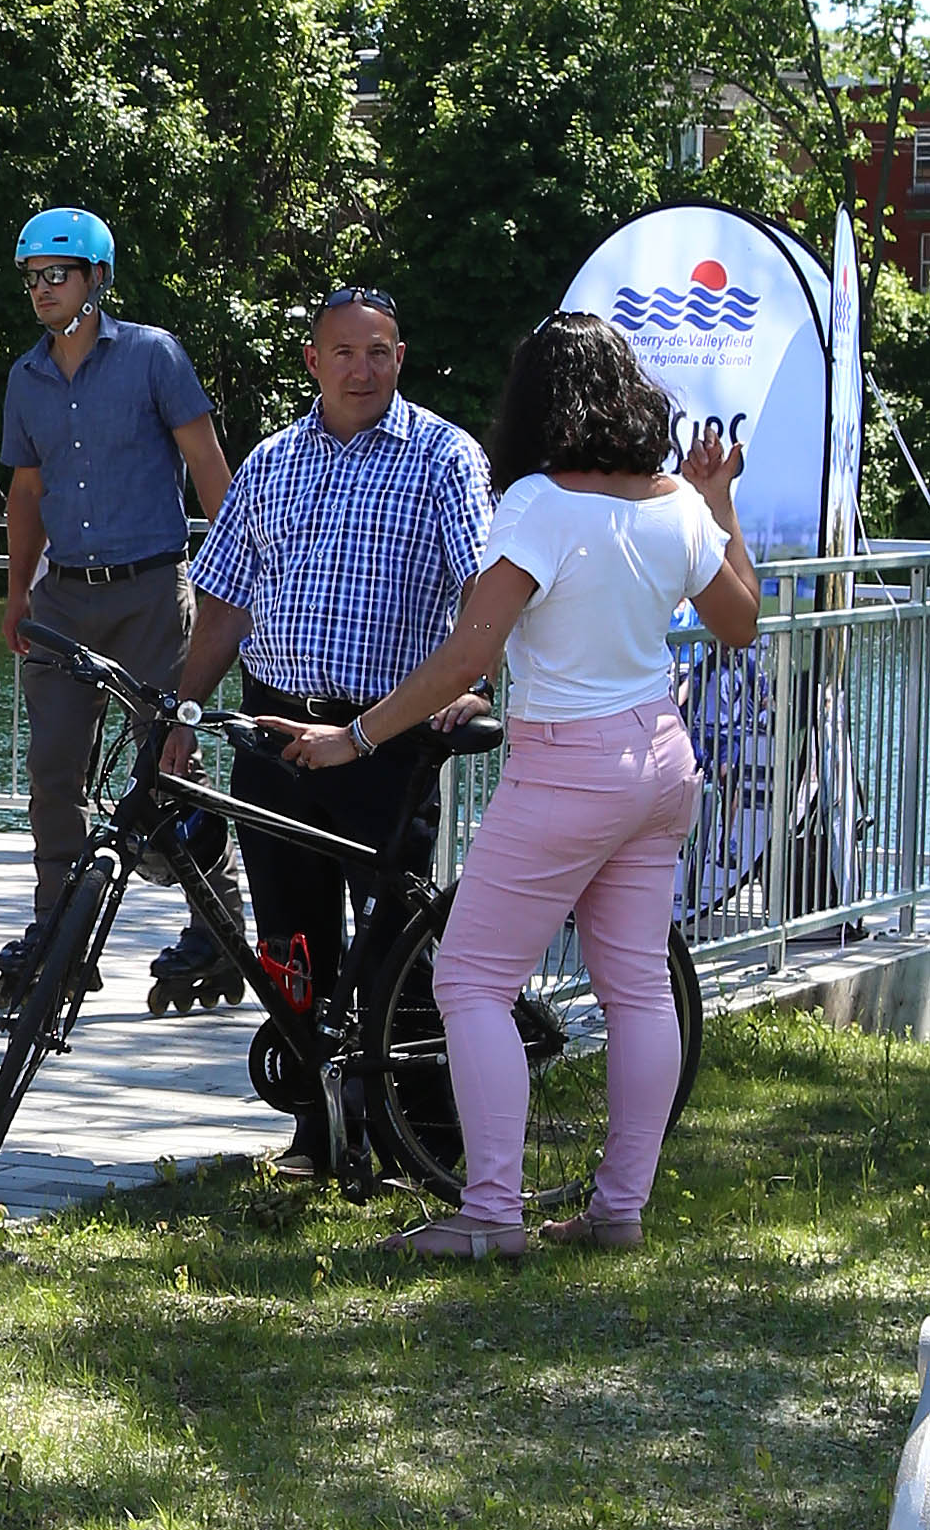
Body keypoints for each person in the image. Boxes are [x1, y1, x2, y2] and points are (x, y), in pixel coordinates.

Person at [283, 312, 751, 1259]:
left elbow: (469, 650)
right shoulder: (674, 503)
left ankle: (491, 1214)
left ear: (535, 398)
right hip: (661, 760)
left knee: (469, 978)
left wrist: (354, 735)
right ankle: (619, 1208)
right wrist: (720, 504)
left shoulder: (538, 499)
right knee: (637, 993)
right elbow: (739, 624)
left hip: (569, 766)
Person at [172, 285, 493, 1176]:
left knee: (399, 941)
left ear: (402, 357)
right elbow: (224, 601)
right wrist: (187, 712)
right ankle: (317, 1129)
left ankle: (421, 1137)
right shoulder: (271, 462)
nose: (363, 368)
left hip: (386, 736)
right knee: (293, 941)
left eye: (380, 351)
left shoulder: (443, 457)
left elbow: (484, 592)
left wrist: (478, 683)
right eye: (344, 352)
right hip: (273, 729)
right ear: (312, 361)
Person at [0, 208, 236, 989]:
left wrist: (230, 573)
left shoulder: (152, 356)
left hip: (153, 592)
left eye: (55, 274)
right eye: (32, 277)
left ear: (96, 279)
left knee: (169, 764)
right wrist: (14, 593)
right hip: (63, 596)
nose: (41, 289)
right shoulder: (25, 377)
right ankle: (57, 928)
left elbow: (207, 461)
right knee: (54, 768)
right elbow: (26, 492)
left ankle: (216, 927)